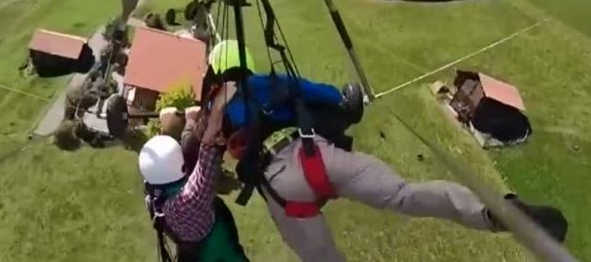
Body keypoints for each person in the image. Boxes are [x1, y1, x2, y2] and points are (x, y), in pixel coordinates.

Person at [206, 40, 568, 262]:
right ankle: (494, 212)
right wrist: (346, 99)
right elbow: (332, 96)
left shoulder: (217, 115)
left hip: (280, 190)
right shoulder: (271, 83)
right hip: (315, 155)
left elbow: (210, 163)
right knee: (403, 195)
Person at [138, 83, 249, 262]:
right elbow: (209, 145)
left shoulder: (153, 199)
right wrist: (217, 104)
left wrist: (173, 126)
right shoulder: (192, 199)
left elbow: (181, 159)